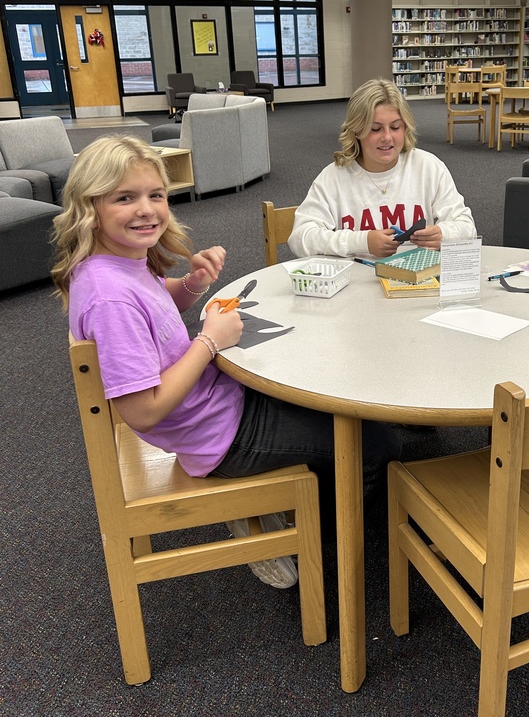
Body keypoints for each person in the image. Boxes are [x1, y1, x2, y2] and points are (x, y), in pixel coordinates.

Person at [52, 135, 401, 589]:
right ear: (89, 207)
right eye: (125, 198)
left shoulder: (116, 263)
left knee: (327, 391)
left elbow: (154, 317)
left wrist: (192, 284)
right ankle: (301, 538)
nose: (147, 209)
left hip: (218, 407)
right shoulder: (109, 298)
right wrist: (209, 343)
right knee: (378, 447)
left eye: (155, 195)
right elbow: (142, 408)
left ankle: (290, 496)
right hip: (217, 437)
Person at [288, 78, 476, 259]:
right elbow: (300, 238)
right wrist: (362, 241)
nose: (387, 137)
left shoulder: (428, 167)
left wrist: (443, 234)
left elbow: (467, 227)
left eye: (395, 127)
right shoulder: (333, 177)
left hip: (417, 280)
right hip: (357, 283)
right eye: (375, 129)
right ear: (356, 131)